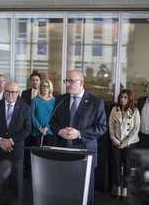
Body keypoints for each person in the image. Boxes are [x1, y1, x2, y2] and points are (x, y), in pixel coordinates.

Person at [50, 69, 107, 205]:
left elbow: (102, 127)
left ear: (81, 82)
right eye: (66, 81)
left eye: (71, 81)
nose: (68, 84)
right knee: (64, 190)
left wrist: (79, 134)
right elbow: (52, 122)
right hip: (63, 151)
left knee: (84, 193)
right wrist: (59, 131)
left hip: (85, 153)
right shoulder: (60, 100)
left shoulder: (96, 102)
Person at [0, 81, 31, 204]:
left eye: (14, 92)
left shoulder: (25, 108)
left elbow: (27, 129)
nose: (11, 94)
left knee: (17, 182)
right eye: (9, 91)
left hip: (16, 150)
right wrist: (0, 141)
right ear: (4, 92)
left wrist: (11, 141)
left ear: (18, 93)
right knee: (0, 182)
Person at [109, 89, 140, 200]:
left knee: (127, 165)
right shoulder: (114, 109)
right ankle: (117, 186)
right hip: (116, 142)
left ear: (130, 99)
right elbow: (111, 126)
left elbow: (136, 128)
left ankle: (125, 188)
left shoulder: (135, 111)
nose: (123, 99)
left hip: (129, 143)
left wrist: (126, 142)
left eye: (125, 97)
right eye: (121, 97)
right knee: (117, 164)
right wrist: (117, 141)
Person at [21, 70, 41, 174]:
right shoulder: (24, 93)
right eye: (33, 80)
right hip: (27, 124)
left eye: (37, 80)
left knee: (38, 148)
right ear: (30, 81)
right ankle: (27, 168)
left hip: (39, 125)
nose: (35, 82)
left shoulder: (44, 93)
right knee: (27, 147)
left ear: (40, 81)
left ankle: (37, 169)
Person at [31, 79, 55, 146]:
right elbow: (32, 116)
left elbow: (54, 117)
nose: (45, 88)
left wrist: (47, 128)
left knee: (48, 154)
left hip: (50, 131)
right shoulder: (35, 100)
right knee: (37, 154)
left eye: (47, 86)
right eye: (43, 86)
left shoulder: (54, 101)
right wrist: (40, 128)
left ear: (50, 88)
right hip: (37, 131)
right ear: (40, 87)